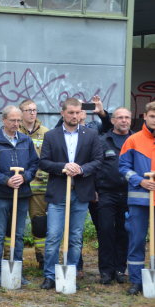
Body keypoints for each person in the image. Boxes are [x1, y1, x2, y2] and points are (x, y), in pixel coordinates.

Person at [39, 97, 102, 290]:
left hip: (81, 193)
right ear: (63, 113)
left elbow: (98, 160)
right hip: (59, 193)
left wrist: (81, 169)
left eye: (78, 113)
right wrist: (64, 167)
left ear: (81, 113)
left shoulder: (91, 135)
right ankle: (50, 275)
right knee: (53, 236)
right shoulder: (51, 135)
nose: (75, 116)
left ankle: (70, 273)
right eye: (71, 113)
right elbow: (44, 162)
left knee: (75, 236)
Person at [0, 105, 39, 286]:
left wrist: (24, 178)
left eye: (18, 121)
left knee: (19, 234)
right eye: (12, 120)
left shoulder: (26, 141)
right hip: (0, 194)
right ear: (4, 120)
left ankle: (17, 271)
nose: (16, 124)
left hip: (22, 194)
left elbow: (33, 164)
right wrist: (5, 180)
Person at [119, 101, 155, 295]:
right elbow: (123, 168)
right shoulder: (133, 140)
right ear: (145, 116)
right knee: (136, 241)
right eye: (152, 116)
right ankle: (136, 281)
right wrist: (140, 181)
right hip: (139, 200)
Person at [95, 107, 133, 285]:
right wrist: (94, 189)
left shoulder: (135, 140)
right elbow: (95, 165)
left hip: (130, 193)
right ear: (113, 120)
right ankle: (106, 271)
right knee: (105, 231)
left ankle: (120, 269)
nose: (124, 120)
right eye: (120, 117)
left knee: (124, 232)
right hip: (106, 193)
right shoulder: (102, 141)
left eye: (127, 117)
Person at [18, 99, 49, 269]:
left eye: (34, 110)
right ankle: (15, 258)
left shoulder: (46, 133)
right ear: (21, 112)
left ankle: (42, 258)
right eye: (28, 110)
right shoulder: (14, 131)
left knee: (40, 223)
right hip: (19, 186)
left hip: (39, 187)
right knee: (17, 224)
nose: (32, 113)